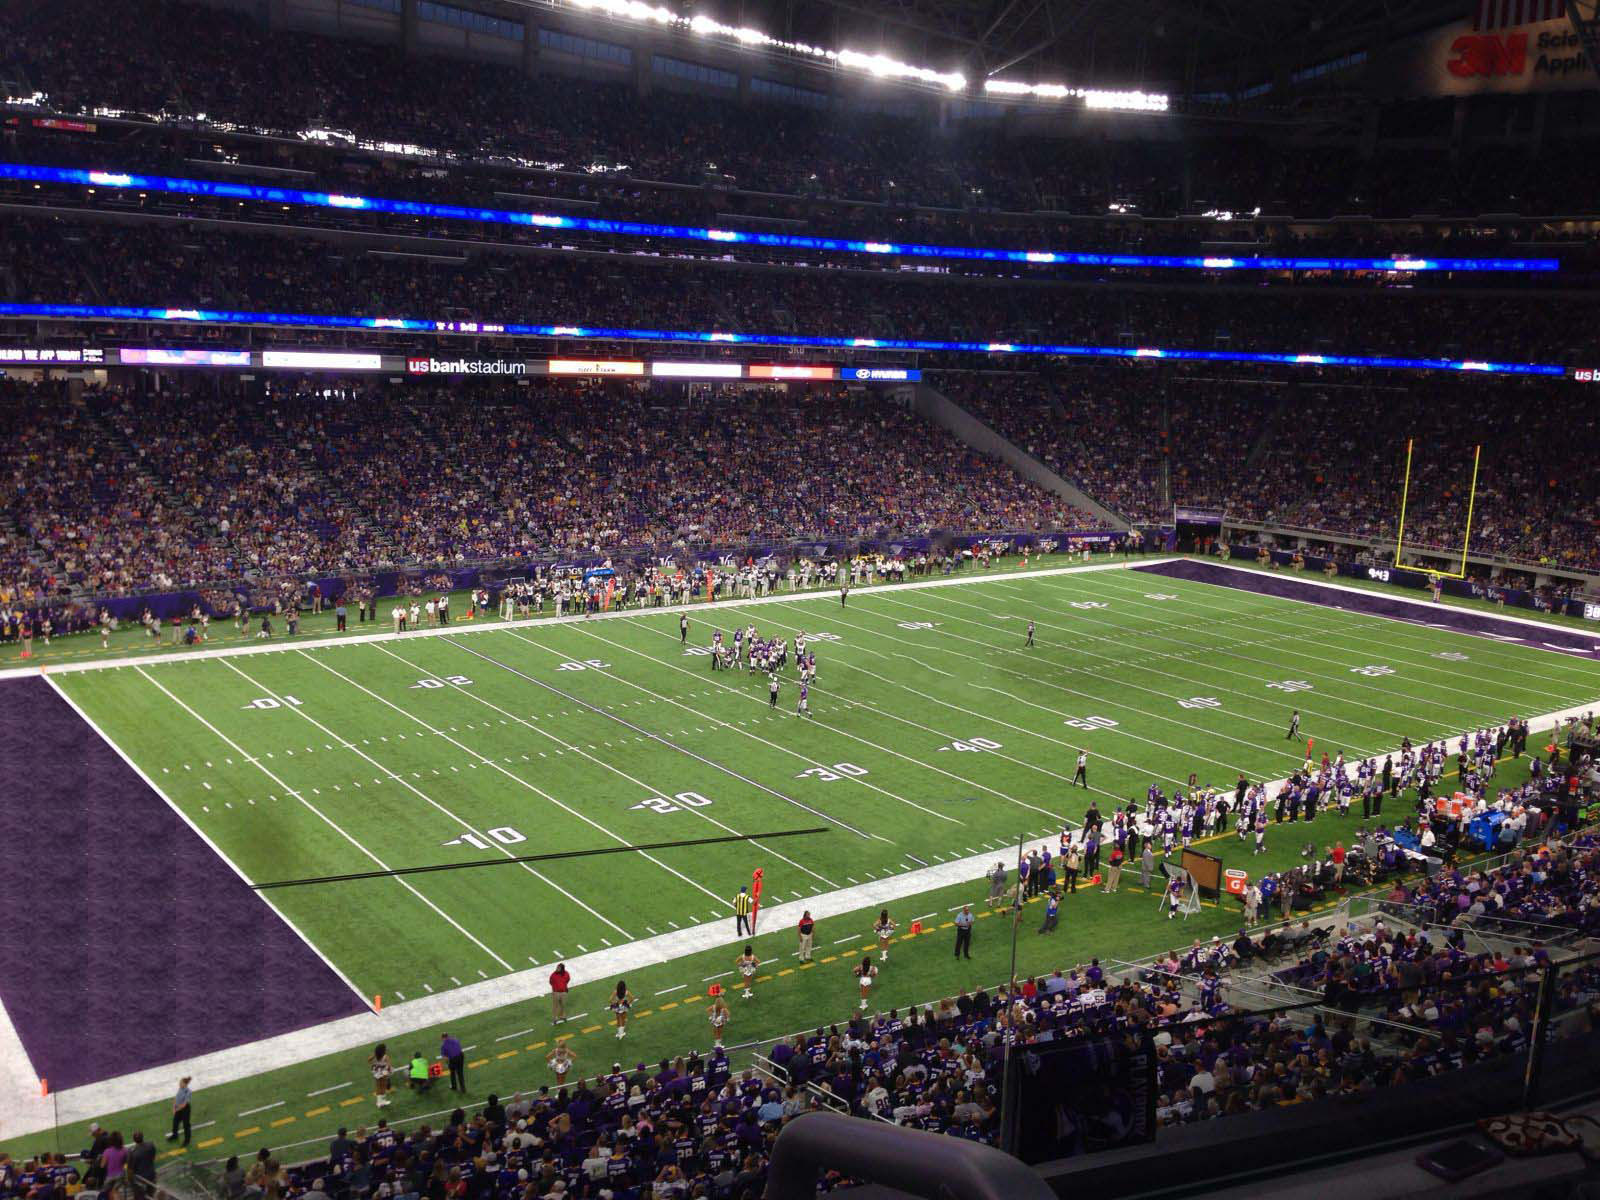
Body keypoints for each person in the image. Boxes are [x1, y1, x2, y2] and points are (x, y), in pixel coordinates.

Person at [165, 1076, 193, 1145]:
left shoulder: (188, 1092)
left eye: (181, 1083)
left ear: (185, 1084)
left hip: (185, 1110)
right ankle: (175, 1135)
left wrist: (176, 1109)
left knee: (186, 1125)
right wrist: (174, 1107)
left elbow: (184, 1104)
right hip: (178, 1108)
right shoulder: (180, 1088)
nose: (179, 1084)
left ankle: (187, 1141)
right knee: (175, 1123)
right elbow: (176, 1097)